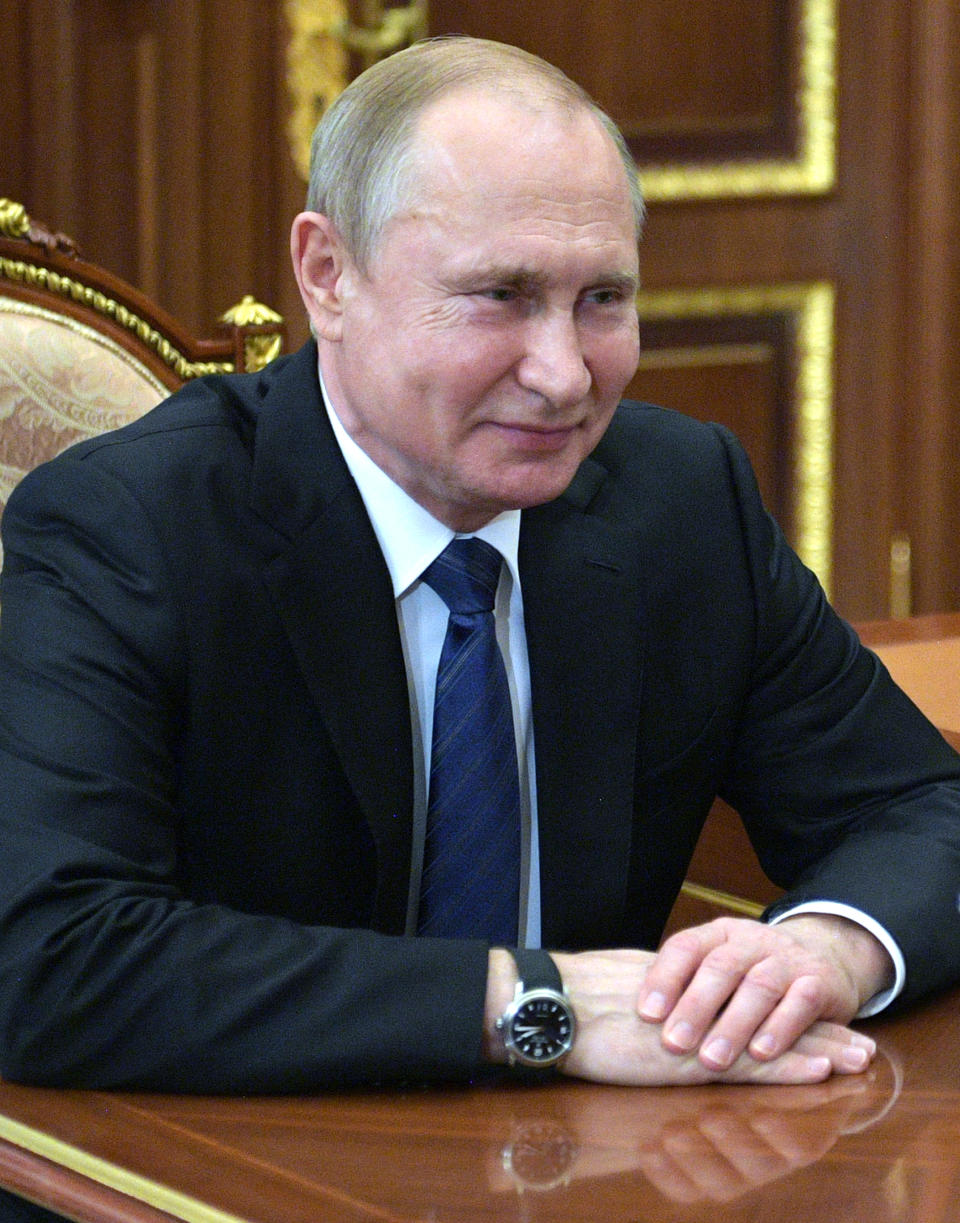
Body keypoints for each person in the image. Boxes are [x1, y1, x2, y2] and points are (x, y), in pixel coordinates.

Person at [1, 36, 958, 1095]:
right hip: (237, 1152)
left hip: (603, 1167)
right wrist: (527, 1000)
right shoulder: (131, 524)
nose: (563, 375)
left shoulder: (681, 498)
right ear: (328, 276)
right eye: (500, 294)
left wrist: (825, 950)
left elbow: (922, 808)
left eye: (603, 298)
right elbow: (54, 954)